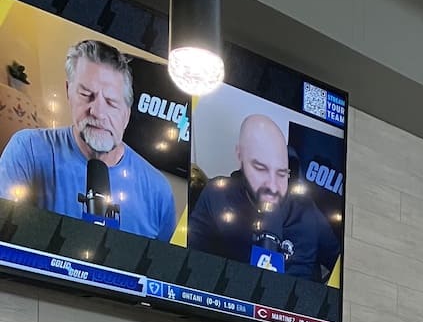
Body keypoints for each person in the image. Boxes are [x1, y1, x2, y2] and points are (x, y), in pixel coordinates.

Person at [0, 39, 175, 241]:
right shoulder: (27, 150)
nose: (97, 112)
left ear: (126, 114)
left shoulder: (159, 192)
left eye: (111, 102)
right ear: (68, 92)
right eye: (86, 94)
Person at [187, 113, 339, 281]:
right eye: (260, 168)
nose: (273, 187)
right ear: (240, 156)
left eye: (281, 173)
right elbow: (190, 262)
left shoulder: (307, 210)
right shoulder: (218, 194)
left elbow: (341, 266)